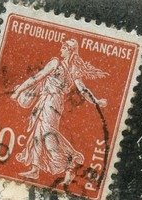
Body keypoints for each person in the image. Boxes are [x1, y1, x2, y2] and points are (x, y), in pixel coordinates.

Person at [10, 38, 108, 187]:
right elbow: (38, 78)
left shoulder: (62, 66)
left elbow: (82, 89)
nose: (61, 49)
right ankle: (35, 168)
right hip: (47, 101)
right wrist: (19, 91)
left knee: (48, 134)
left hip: (52, 102)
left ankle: (71, 160)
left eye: (63, 47)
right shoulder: (65, 66)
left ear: (69, 50)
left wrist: (96, 101)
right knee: (38, 132)